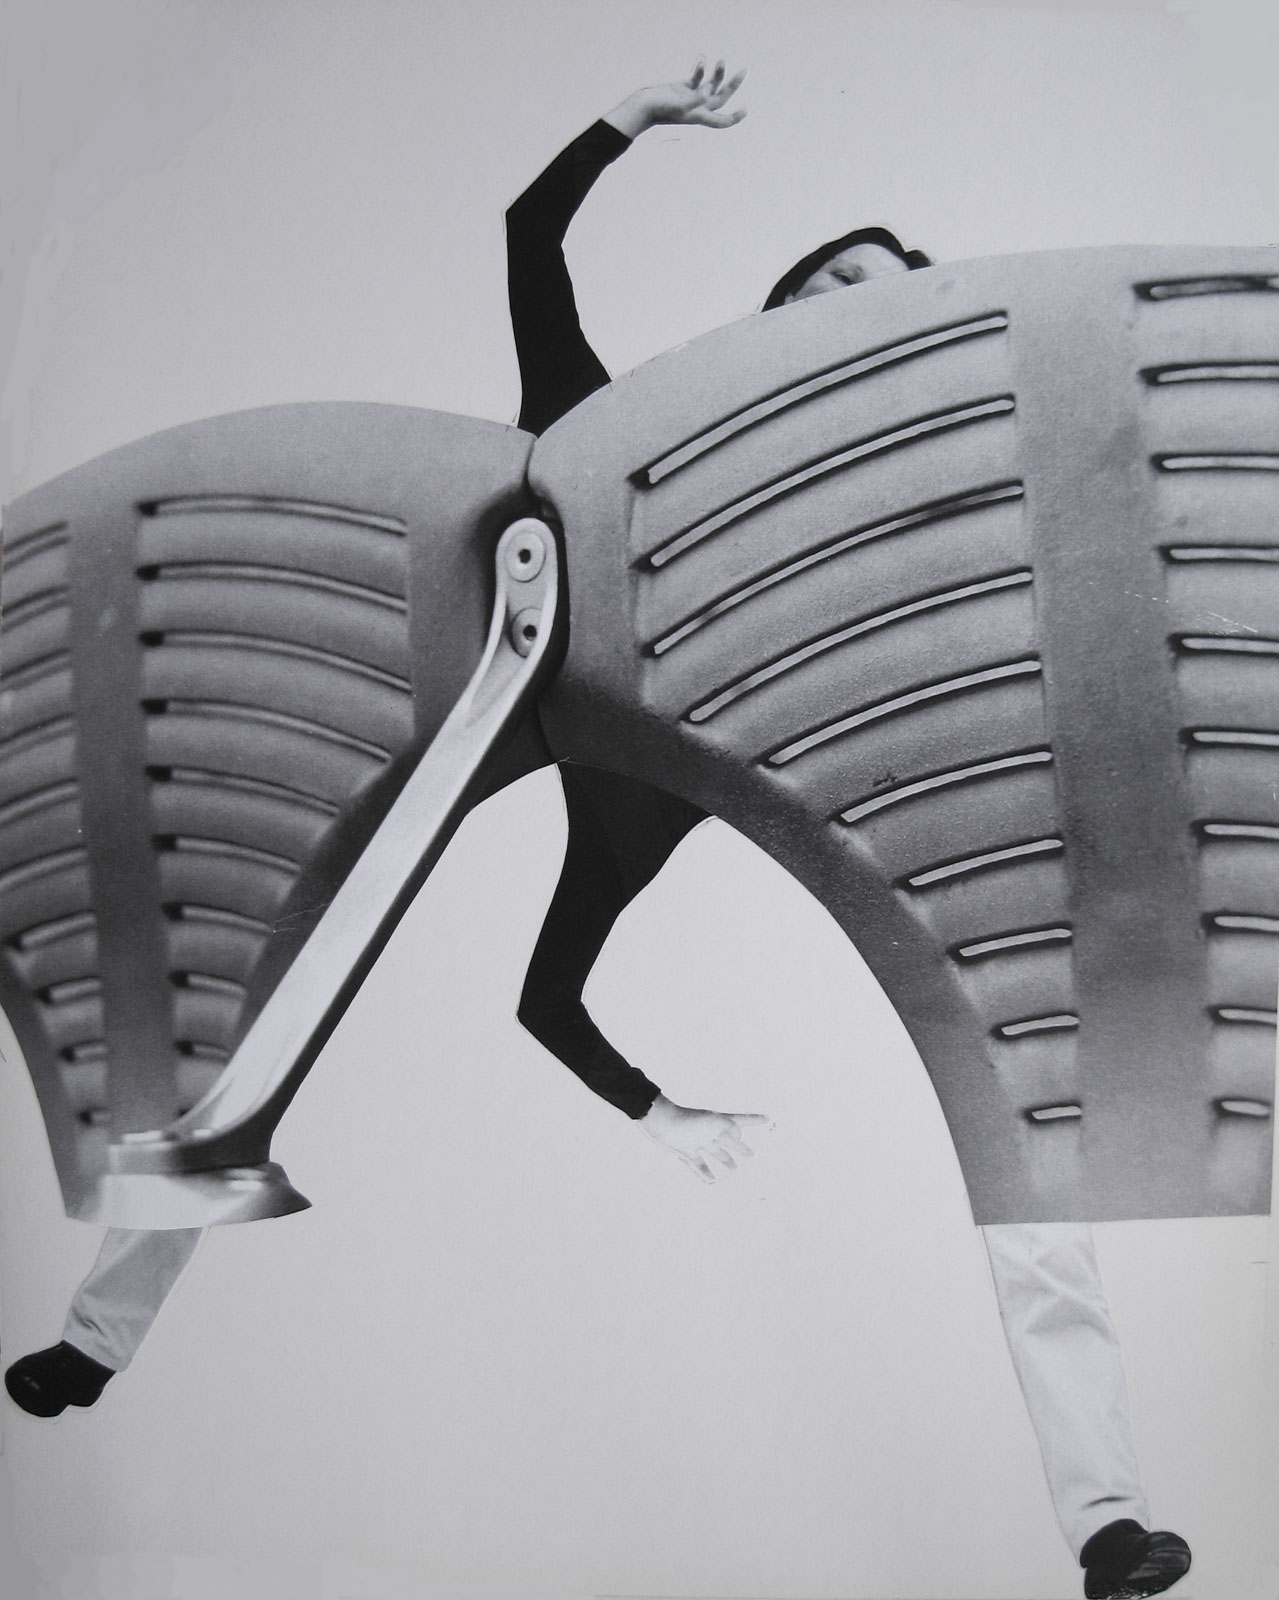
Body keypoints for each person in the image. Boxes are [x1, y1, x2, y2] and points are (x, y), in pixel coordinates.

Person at [5, 58, 1190, 1600]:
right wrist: (633, 118)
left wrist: (657, 1110)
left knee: (1012, 1074)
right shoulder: (600, 449)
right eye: (821, 289)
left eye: (883, 289)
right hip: (513, 682)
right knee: (273, 985)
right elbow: (528, 238)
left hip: (764, 739)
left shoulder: (914, 549)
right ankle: (97, 1341)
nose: (849, 303)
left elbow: (551, 992)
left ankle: (1106, 1521)